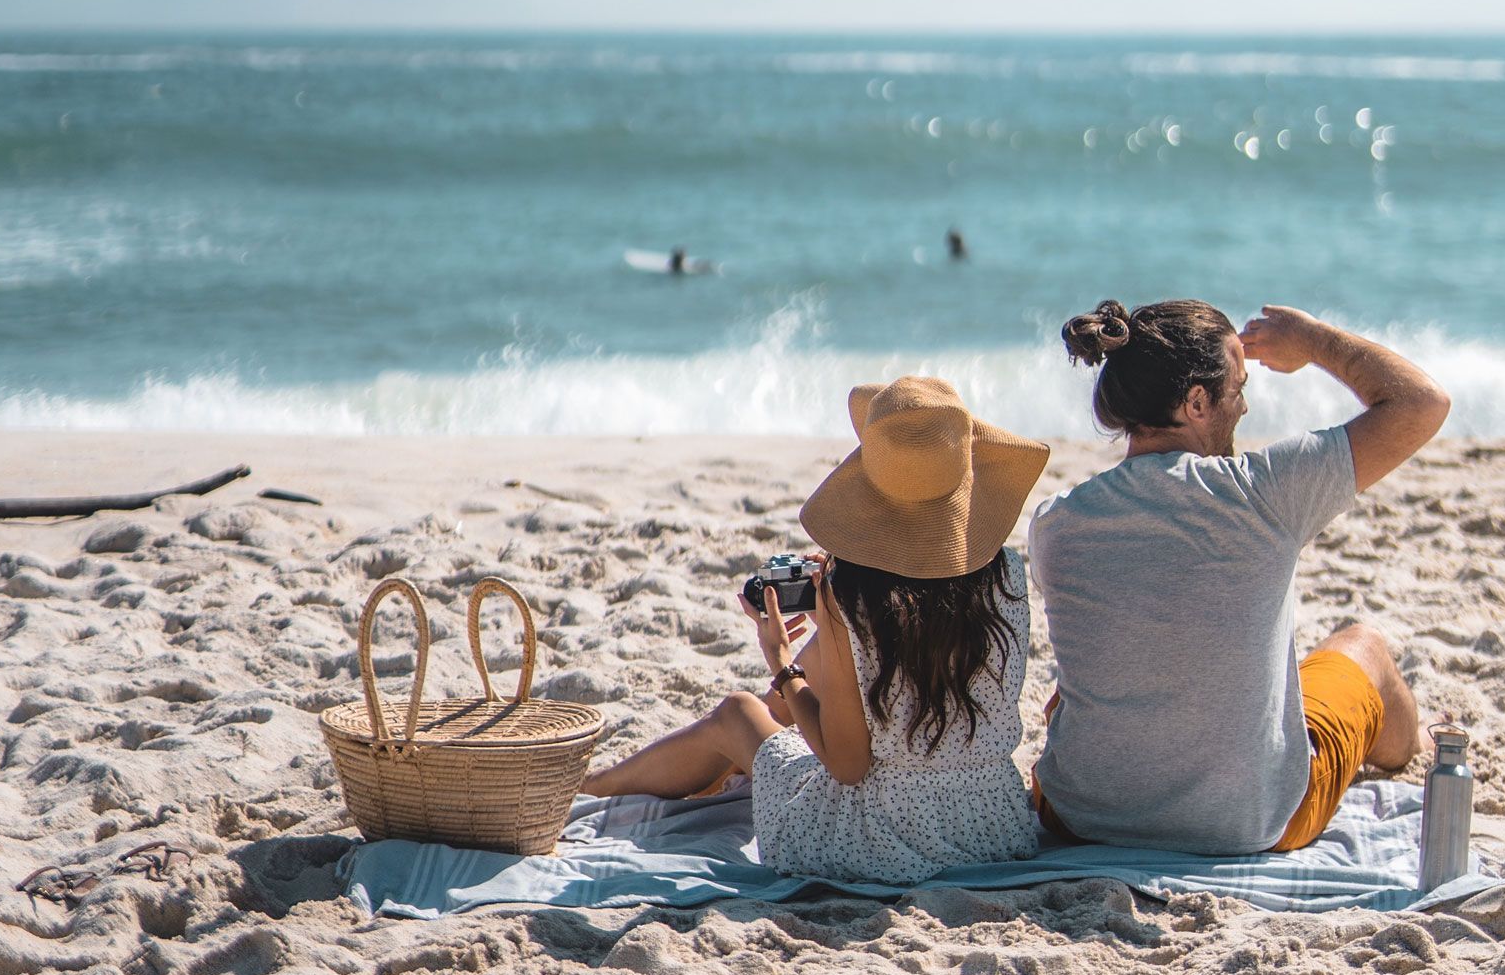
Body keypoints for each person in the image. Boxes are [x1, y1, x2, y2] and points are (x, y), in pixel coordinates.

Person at [581, 376, 1051, 884]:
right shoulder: (1005, 571)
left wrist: (784, 661)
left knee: (739, 713)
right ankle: (667, 779)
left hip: (885, 842)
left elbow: (847, 767)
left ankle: (593, 788)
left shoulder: (854, 595)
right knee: (790, 701)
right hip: (994, 826)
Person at [1029, 299, 1450, 855]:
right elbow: (1422, 403)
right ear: (1197, 402)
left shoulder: (1056, 522)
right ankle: (1408, 747)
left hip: (1079, 815)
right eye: (1237, 387)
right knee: (1363, 647)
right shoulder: (1263, 493)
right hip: (1247, 824)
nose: (1245, 406)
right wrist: (1315, 339)